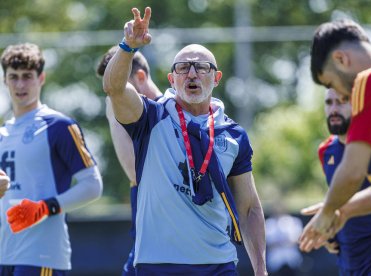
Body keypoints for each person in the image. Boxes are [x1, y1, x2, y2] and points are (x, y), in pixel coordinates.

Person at [103, 7, 267, 276]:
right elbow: (114, 89)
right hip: (157, 266)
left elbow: (249, 208)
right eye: (182, 68)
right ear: (171, 79)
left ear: (216, 78)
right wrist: (128, 46)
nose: (192, 73)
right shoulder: (151, 117)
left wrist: (261, 269)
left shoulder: (232, 134)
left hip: (219, 265)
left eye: (202, 67)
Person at [299, 19, 371, 275]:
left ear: (341, 59)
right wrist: (343, 210)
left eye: (331, 83)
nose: (339, 93)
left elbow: (352, 171)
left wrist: (327, 213)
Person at [0, 43, 103, 275]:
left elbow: (93, 185)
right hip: (4, 254)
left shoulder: (58, 126)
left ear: (41, 78)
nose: (20, 84)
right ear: (5, 80)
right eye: (13, 77)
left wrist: (45, 207)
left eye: (27, 76)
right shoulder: (2, 134)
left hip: (41, 255)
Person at [97, 46, 162, 276]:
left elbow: (137, 171)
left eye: (119, 88)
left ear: (140, 77)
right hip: (146, 243)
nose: (114, 97)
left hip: (171, 248)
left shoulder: (171, 116)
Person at [301, 88, 371, 275]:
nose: (334, 109)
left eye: (342, 101)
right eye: (329, 103)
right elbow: (336, 197)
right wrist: (329, 231)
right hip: (348, 260)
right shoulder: (325, 150)